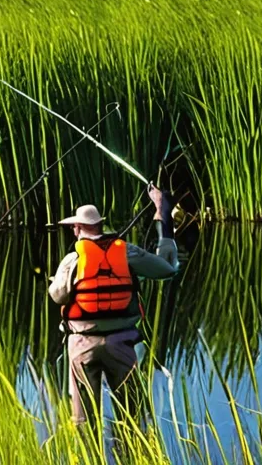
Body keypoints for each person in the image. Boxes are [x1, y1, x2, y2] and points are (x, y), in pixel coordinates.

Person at [48, 183, 179, 430]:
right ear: (100, 225)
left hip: (82, 345)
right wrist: (164, 225)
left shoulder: (72, 260)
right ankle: (130, 454)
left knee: (84, 422)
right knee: (131, 418)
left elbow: (58, 296)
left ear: (77, 228)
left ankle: (91, 455)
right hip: (122, 343)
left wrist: (57, 282)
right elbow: (167, 270)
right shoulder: (127, 252)